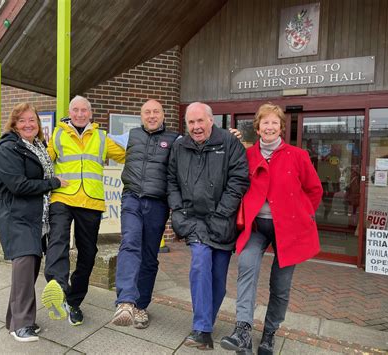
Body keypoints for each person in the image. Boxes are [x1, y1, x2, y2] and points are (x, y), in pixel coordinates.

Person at [220, 103, 323, 355]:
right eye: (264, 122)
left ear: (281, 128)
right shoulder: (247, 155)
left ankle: (269, 333)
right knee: (246, 267)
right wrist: (228, 139)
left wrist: (302, 215)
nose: (269, 127)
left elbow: (314, 190)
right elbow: (225, 167)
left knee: (281, 283)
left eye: (274, 123)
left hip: (287, 228)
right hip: (256, 226)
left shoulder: (297, 155)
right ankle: (243, 330)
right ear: (257, 127)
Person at [167, 102, 249, 350]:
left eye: (200, 121)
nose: (196, 127)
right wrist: (179, 214)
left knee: (217, 281)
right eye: (191, 122)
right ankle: (202, 329)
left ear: (211, 121)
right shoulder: (179, 146)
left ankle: (205, 325)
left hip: (222, 221)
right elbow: (171, 181)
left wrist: (222, 213)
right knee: (200, 265)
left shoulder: (229, 142)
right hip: (194, 221)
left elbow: (239, 180)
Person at [41, 95, 125, 326]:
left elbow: (126, 154)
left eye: (84, 110)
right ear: (70, 112)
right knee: (57, 239)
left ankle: (74, 301)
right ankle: (57, 285)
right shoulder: (58, 134)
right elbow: (43, 161)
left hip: (91, 200)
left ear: (90, 113)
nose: (79, 114)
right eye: (75, 110)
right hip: (63, 196)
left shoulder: (101, 137)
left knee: (88, 253)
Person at [0, 103, 68, 342]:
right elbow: (19, 185)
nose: (28, 124)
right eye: (22, 121)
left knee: (28, 269)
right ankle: (22, 324)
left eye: (32, 120)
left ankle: (14, 320)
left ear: (38, 124)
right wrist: (53, 183)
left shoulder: (38, 146)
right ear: (14, 124)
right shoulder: (8, 148)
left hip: (35, 216)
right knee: (24, 265)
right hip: (16, 215)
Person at [111, 99, 180, 329]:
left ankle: (141, 306)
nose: (151, 116)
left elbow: (201, 144)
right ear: (141, 116)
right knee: (129, 243)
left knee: (149, 256)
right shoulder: (129, 136)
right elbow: (98, 140)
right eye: (147, 112)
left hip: (158, 204)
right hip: (132, 198)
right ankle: (125, 302)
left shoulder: (175, 140)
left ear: (163, 114)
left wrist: (229, 138)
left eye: (156, 112)